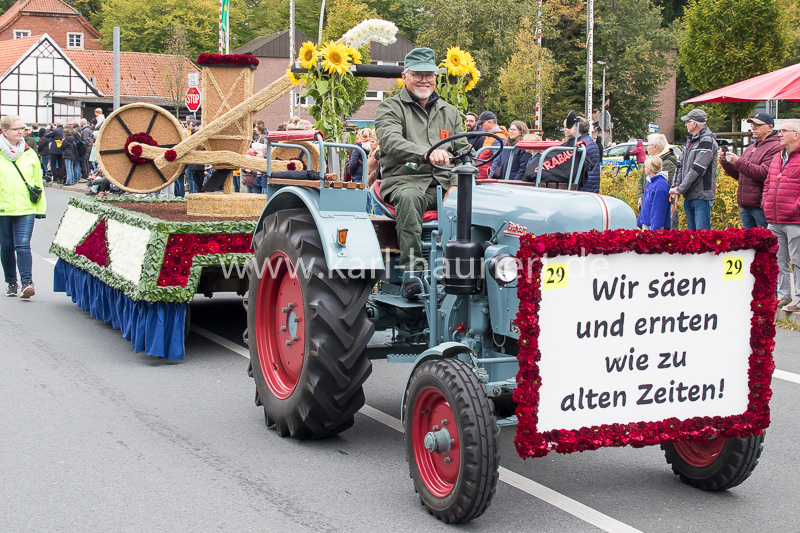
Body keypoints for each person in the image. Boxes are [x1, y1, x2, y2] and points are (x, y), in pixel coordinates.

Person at [375, 47, 472, 280]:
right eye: (417, 74)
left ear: (436, 78)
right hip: (404, 180)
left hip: (443, 184)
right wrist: (426, 154)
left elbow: (464, 151)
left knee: (481, 200)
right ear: (404, 76)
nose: (424, 80)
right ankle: (413, 274)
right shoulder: (391, 107)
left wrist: (456, 184)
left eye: (429, 75)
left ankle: (471, 271)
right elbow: (390, 140)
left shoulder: (450, 112)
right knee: (410, 198)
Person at [0, 115, 47, 298]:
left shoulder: (30, 153)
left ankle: (27, 283)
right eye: (16, 129)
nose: (21, 132)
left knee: (23, 245)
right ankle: (12, 283)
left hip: (26, 207)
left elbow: (38, 183)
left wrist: (40, 209)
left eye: (22, 128)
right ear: (5, 131)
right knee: (6, 247)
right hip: (3, 208)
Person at [762, 118, 800, 311]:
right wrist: (766, 202)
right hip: (774, 217)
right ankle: (784, 295)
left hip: (794, 219)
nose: (780, 134)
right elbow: (768, 182)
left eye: (784, 131)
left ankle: (799, 297)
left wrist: (796, 207)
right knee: (778, 259)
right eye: (780, 131)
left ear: (796, 135)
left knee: (797, 259)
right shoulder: (778, 156)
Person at [719, 112, 780, 229]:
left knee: (764, 239)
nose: (753, 128)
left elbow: (764, 173)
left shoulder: (775, 147)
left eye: (758, 125)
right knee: (747, 240)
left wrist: (738, 161)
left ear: (770, 127)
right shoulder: (751, 147)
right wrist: (725, 162)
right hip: (747, 206)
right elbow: (739, 175)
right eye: (752, 125)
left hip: (761, 206)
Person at [670, 109, 718, 230]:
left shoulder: (707, 141)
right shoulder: (690, 142)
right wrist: (675, 186)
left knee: (702, 236)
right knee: (691, 236)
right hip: (689, 196)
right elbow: (679, 165)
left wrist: (680, 189)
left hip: (702, 197)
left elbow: (697, 170)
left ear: (694, 123)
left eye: (687, 122)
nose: (685, 124)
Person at [639, 133, 677, 206]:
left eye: (648, 145)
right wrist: (640, 197)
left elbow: (664, 188)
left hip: (658, 205)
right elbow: (642, 181)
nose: (646, 148)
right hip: (647, 203)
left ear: (655, 147)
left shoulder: (667, 164)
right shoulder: (650, 161)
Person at [637, 155, 671, 230]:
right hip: (646, 223)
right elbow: (644, 203)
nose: (644, 168)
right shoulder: (649, 182)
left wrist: (655, 230)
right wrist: (639, 222)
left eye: (645, 167)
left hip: (656, 227)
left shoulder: (661, 185)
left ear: (650, 168)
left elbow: (659, 209)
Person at [475, 111, 508, 179]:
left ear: (489, 122)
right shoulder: (490, 136)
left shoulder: (499, 138)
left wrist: (490, 178)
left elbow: (497, 161)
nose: (480, 126)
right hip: (483, 176)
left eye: (482, 123)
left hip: (487, 179)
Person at [576, 117, 601, 193]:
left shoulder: (582, 144)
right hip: (591, 185)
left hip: (585, 187)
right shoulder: (589, 142)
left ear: (576, 128)